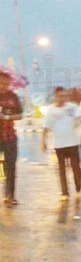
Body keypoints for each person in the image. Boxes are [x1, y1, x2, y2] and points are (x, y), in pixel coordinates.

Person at [42, 86, 81, 202]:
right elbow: (45, 127)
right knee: (61, 169)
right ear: (55, 97)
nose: (62, 98)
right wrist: (43, 142)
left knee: (76, 168)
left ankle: (78, 188)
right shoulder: (51, 111)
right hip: (59, 144)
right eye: (60, 96)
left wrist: (77, 122)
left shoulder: (72, 107)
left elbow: (79, 117)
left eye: (64, 96)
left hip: (73, 142)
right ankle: (65, 192)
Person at [0, 70, 23, 206]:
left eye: (6, 83)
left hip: (9, 137)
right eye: (1, 83)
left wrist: (6, 117)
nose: (4, 85)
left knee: (11, 166)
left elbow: (20, 115)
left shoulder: (13, 97)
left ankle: (10, 195)